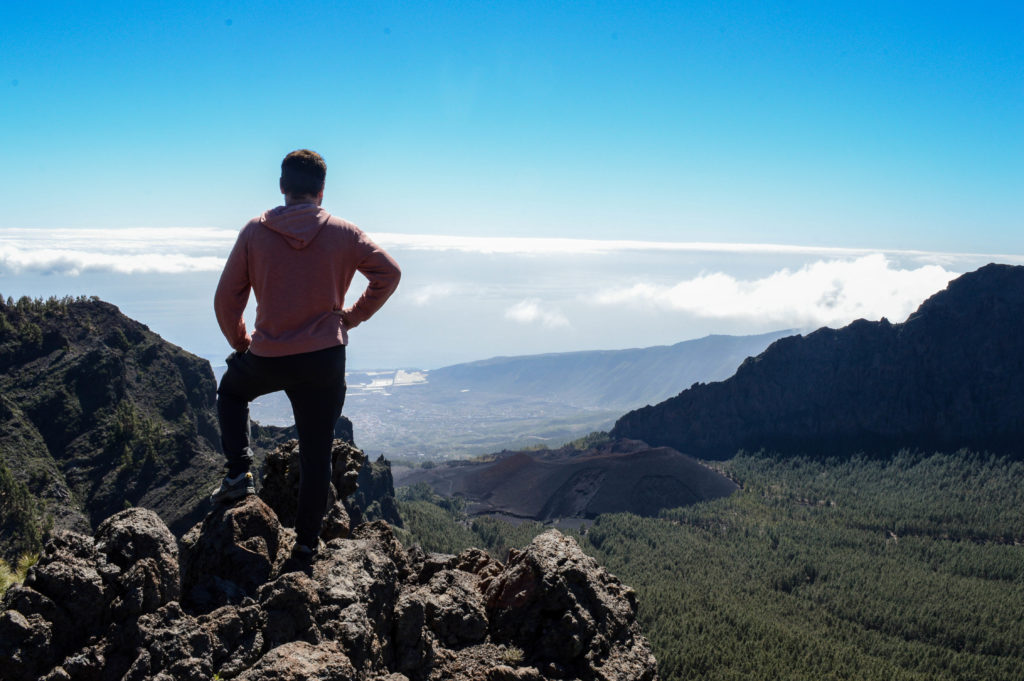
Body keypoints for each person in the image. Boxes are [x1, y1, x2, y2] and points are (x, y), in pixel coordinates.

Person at [211, 149, 400, 567]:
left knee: (232, 391)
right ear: (321, 189)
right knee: (316, 454)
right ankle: (306, 546)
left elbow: (226, 300)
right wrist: (350, 318)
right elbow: (389, 273)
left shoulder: (255, 233)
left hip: (269, 353)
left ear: (282, 186)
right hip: (324, 359)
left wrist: (241, 341)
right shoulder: (344, 233)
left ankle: (239, 474)